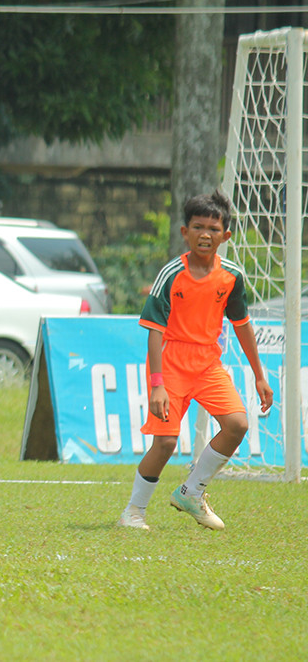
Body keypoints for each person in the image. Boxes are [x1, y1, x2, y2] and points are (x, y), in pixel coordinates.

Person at [117, 189, 273, 532]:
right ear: (185, 232)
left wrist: (260, 376)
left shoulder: (231, 276)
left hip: (207, 364)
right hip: (171, 363)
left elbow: (242, 325)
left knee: (237, 424)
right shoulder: (172, 274)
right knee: (166, 443)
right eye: (198, 227)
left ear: (225, 236)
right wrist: (157, 385)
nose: (206, 234)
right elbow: (155, 332)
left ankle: (191, 491)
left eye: (213, 229)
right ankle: (133, 512)